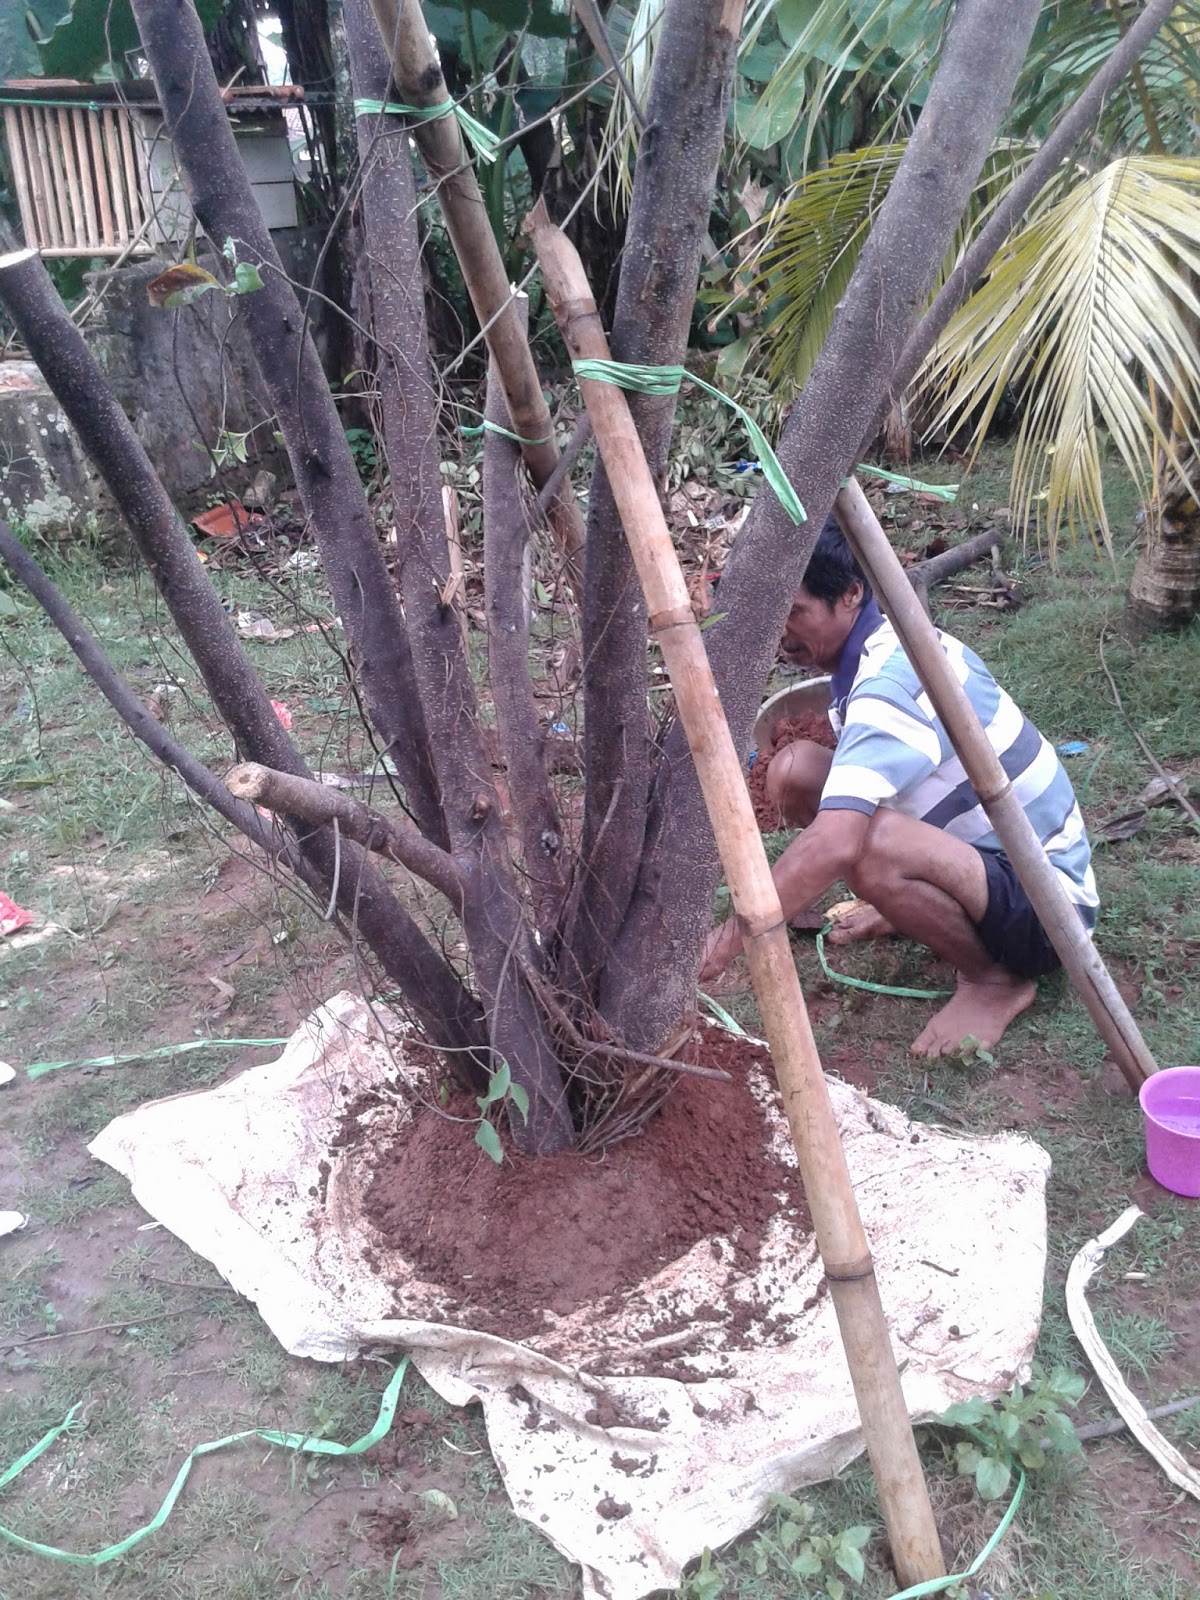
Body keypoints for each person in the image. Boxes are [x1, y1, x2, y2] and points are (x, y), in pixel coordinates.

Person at [699, 517, 1099, 1056]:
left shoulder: (890, 686)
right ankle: (919, 903)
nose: (780, 633)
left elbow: (839, 839)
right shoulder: (869, 654)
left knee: (864, 847)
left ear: (850, 594)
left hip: (1048, 909)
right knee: (797, 770)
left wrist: (732, 939)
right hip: (989, 863)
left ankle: (994, 980)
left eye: (794, 612)